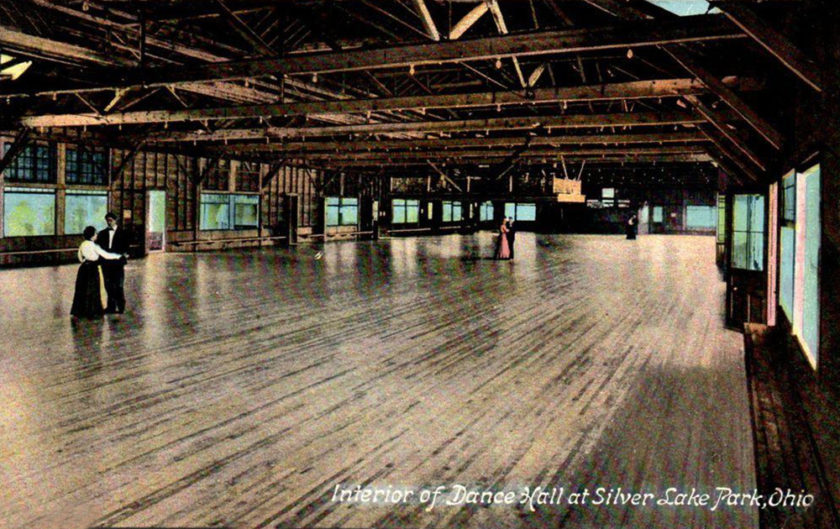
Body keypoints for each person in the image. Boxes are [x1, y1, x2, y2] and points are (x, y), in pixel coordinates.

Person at [71, 226, 125, 319]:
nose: (96, 235)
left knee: (82, 289)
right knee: (93, 289)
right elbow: (106, 255)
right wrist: (118, 256)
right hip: (92, 268)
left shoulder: (83, 244)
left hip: (83, 269)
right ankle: (92, 310)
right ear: (92, 236)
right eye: (95, 234)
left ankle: (80, 310)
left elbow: (79, 257)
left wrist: (84, 261)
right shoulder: (94, 246)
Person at [98, 212, 130, 313]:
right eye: (107, 220)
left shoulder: (123, 233)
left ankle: (121, 306)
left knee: (118, 285)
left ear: (115, 220)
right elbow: (99, 247)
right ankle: (110, 307)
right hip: (106, 263)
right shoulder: (102, 233)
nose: (109, 222)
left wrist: (124, 254)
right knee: (108, 285)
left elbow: (126, 246)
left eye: (111, 220)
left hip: (117, 262)